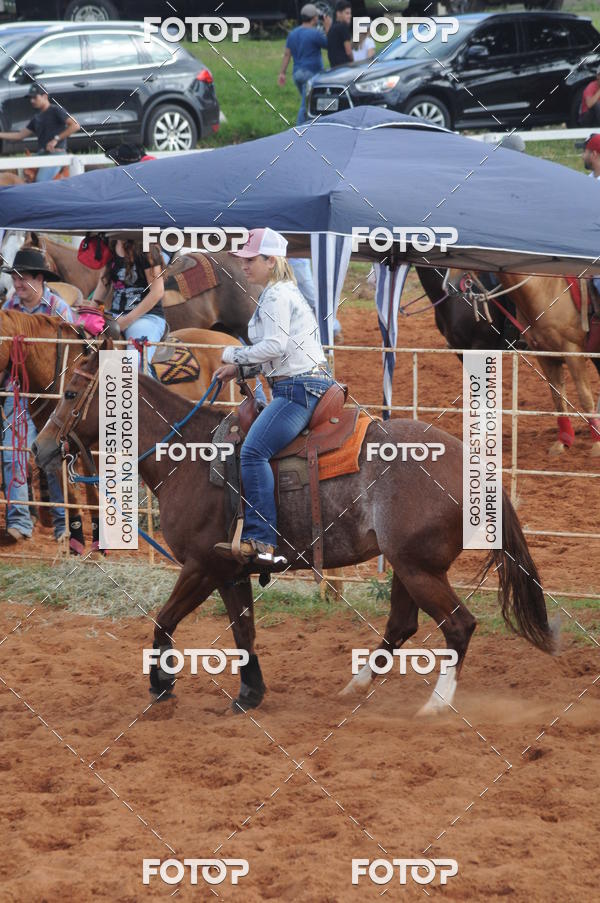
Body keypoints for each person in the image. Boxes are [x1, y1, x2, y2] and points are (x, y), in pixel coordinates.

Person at [213, 228, 333, 567]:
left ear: (271, 260)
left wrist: (230, 355)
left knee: (252, 453)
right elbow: (279, 353)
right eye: (244, 260)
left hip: (298, 389)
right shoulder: (281, 293)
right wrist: (241, 371)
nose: (245, 266)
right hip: (301, 383)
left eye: (251, 260)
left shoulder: (277, 296)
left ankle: (261, 540)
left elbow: (277, 346)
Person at [0, 248, 74, 543]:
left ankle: (63, 522)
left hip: (52, 399)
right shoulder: (9, 306)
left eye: (23, 277)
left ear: (39, 278)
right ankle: (19, 522)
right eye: (15, 277)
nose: (17, 283)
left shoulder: (59, 309)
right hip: (18, 392)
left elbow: (73, 355)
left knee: (54, 457)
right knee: (11, 452)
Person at [91, 238, 166, 367]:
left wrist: (127, 320)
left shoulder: (146, 248)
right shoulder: (111, 248)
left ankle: (145, 384)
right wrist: (90, 313)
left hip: (146, 317)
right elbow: (102, 286)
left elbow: (157, 291)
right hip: (115, 316)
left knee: (134, 362)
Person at [0, 84, 80, 182]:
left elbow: (75, 125)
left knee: (41, 180)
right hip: (41, 154)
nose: (32, 101)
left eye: (35, 97)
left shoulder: (56, 110)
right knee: (18, 169)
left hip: (56, 154)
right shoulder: (36, 118)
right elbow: (19, 135)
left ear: (45, 96)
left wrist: (56, 139)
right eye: (30, 98)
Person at [279, 4, 331, 126]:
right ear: (314, 18)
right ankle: (299, 130)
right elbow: (329, 45)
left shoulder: (293, 33)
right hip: (311, 73)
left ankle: (311, 126)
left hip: (297, 74)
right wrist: (327, 27)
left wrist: (282, 73)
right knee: (305, 105)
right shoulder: (315, 34)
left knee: (308, 102)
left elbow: (287, 54)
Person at [327, 1, 354, 69]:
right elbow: (348, 51)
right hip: (345, 66)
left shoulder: (332, 28)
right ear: (338, 14)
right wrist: (354, 61)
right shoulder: (343, 27)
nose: (350, 16)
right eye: (347, 13)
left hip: (334, 67)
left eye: (350, 13)